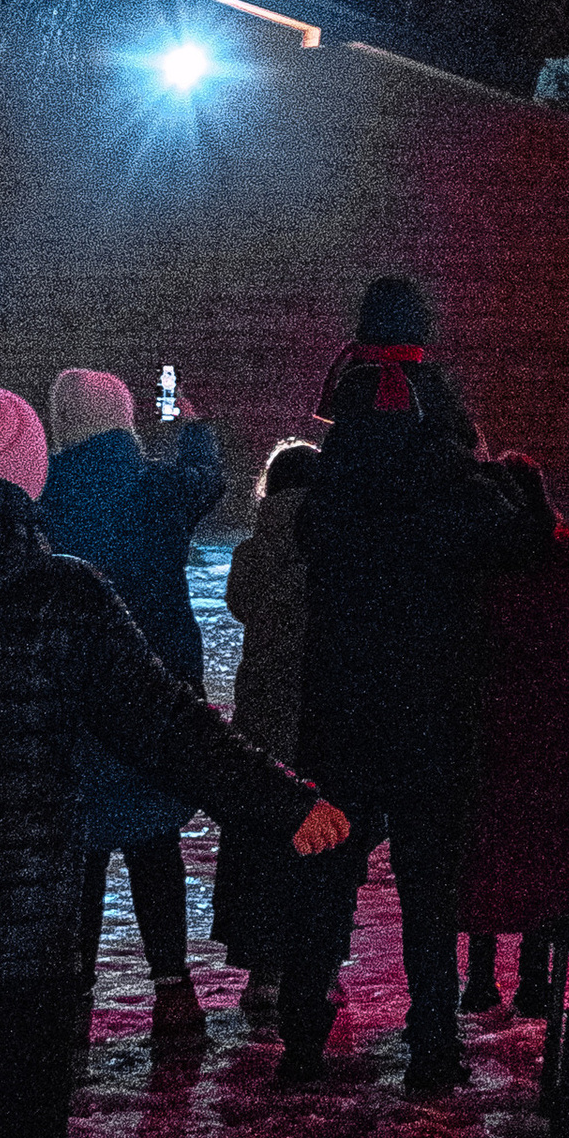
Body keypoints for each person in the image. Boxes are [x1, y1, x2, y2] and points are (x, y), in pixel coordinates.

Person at [0, 380, 347, 1138]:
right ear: (24, 475)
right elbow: (168, 730)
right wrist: (287, 804)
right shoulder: (61, 597)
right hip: (13, 959)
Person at [277, 276, 544, 1096]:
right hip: (434, 699)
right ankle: (431, 1043)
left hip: (347, 696)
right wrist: (510, 479)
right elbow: (524, 541)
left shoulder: (337, 470)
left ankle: (304, 1037)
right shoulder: (447, 467)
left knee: (328, 871)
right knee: (430, 880)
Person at [37, 365, 225, 1063]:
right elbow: (208, 481)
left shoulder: (44, 493)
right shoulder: (154, 487)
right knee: (154, 843)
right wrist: (195, 431)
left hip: (72, 690)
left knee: (81, 851)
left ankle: (76, 1005)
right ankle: (174, 990)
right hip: (155, 685)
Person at [459, 451, 569, 1021]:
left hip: (484, 702)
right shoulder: (562, 553)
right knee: (545, 836)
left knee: (484, 834)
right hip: (547, 701)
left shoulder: (475, 559)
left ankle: (481, 976)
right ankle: (536, 977)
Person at [215, 436, 322, 1022]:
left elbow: (238, 606)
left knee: (261, 837)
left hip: (260, 711)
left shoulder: (252, 552)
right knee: (315, 836)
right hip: (314, 710)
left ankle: (262, 970)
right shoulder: (332, 547)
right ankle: (314, 966)